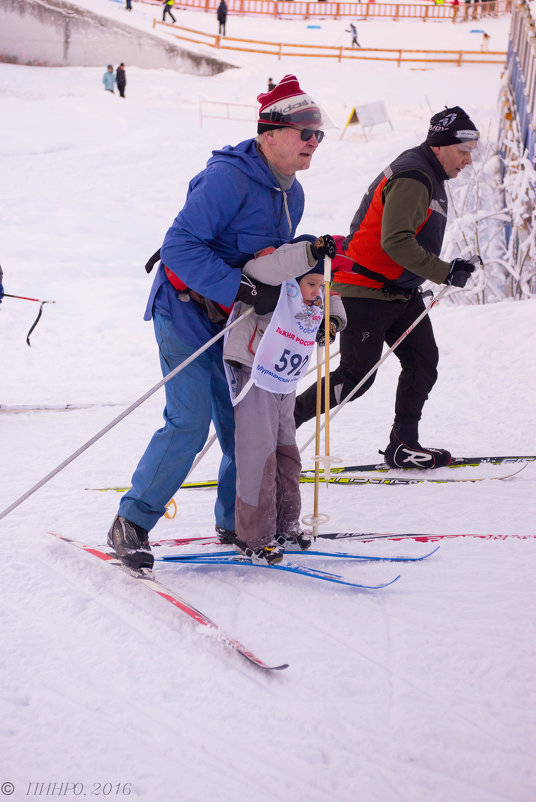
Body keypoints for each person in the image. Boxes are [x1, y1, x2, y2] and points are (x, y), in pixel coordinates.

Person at [107, 74, 332, 571]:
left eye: (319, 132)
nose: (314, 141)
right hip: (184, 311)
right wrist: (241, 289)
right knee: (190, 421)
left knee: (240, 425)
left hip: (234, 323)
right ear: (269, 133)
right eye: (304, 131)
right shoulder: (228, 178)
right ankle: (132, 521)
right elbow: (179, 247)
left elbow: (269, 266)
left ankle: (236, 519)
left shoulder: (292, 195)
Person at [294, 106, 481, 470]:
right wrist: (444, 271)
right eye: (464, 152)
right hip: (365, 289)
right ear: (442, 146)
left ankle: (403, 445)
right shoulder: (415, 175)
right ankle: (280, 425)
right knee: (354, 378)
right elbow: (395, 241)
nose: (468, 162)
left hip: (396, 290)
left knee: (423, 363)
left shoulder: (427, 173)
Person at [223, 237, 346, 564]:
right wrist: (312, 252)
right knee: (257, 455)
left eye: (319, 285)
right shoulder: (275, 274)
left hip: (284, 379)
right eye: (310, 284)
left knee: (287, 454)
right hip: (254, 370)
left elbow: (330, 289)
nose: (315, 292)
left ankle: (285, 525)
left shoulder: (314, 290)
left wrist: (330, 323)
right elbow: (262, 268)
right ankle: (252, 537)